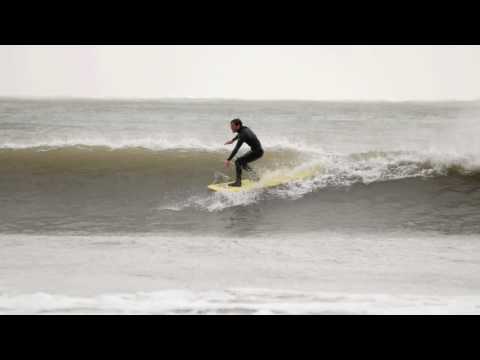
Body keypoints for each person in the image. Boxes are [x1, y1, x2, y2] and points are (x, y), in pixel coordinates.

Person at [224, 118, 264, 187]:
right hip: (257, 150)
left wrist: (228, 159)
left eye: (232, 126)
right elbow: (239, 134)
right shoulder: (244, 128)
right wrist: (232, 140)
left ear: (238, 126)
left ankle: (238, 183)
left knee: (238, 162)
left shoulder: (243, 134)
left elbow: (236, 148)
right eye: (231, 126)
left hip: (257, 152)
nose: (231, 128)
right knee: (242, 162)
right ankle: (256, 178)